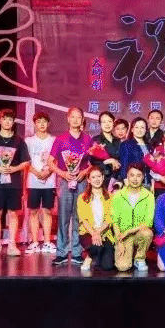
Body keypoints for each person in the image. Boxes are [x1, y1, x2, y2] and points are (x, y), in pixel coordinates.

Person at [0, 109, 30, 257]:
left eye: (10, 119)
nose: (7, 122)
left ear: (13, 122)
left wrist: (14, 168)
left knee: (13, 213)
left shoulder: (19, 141)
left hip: (13, 181)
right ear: (0, 121)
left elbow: (26, 161)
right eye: (5, 119)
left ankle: (12, 244)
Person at [50, 107, 92, 265]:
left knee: (79, 217)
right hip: (65, 181)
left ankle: (76, 252)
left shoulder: (88, 139)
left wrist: (84, 172)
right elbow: (50, 162)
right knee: (63, 217)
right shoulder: (60, 139)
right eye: (72, 117)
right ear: (68, 119)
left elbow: (92, 163)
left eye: (78, 117)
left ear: (82, 120)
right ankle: (61, 252)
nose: (75, 120)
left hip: (82, 182)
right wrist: (62, 173)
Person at [111, 163, 156, 272]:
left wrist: (129, 231)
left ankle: (139, 258)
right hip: (123, 236)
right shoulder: (118, 195)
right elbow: (114, 221)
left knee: (147, 233)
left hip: (138, 233)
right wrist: (119, 242)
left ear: (143, 177)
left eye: (138, 176)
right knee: (122, 267)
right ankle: (129, 252)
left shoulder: (149, 196)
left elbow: (148, 222)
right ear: (127, 176)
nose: (135, 179)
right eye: (132, 175)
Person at [23, 112, 57, 254]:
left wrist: (48, 172)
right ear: (35, 124)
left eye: (44, 121)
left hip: (49, 181)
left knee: (48, 211)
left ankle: (47, 242)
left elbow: (56, 160)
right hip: (33, 181)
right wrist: (37, 173)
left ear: (48, 124)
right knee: (33, 211)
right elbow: (25, 161)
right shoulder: (28, 141)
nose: (42, 124)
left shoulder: (54, 140)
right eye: (39, 121)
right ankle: (35, 242)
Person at [74, 167, 115, 271]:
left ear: (103, 177)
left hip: (104, 233)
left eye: (99, 176)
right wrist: (94, 233)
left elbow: (110, 218)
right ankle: (89, 256)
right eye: (93, 177)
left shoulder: (110, 197)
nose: (97, 179)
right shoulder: (82, 197)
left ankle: (96, 256)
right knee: (96, 246)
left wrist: (99, 232)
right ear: (88, 180)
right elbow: (83, 219)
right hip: (88, 232)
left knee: (108, 266)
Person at [90, 111, 123, 190]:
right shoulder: (96, 140)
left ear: (113, 123)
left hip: (117, 180)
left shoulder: (118, 141)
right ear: (100, 124)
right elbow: (92, 162)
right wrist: (108, 161)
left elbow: (123, 160)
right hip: (102, 180)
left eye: (109, 121)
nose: (107, 124)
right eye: (104, 122)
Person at [117, 118, 152, 187]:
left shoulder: (149, 145)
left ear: (146, 130)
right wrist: (127, 183)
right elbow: (124, 165)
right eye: (137, 127)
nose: (139, 130)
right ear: (132, 129)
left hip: (147, 181)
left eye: (142, 127)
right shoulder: (126, 144)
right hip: (133, 182)